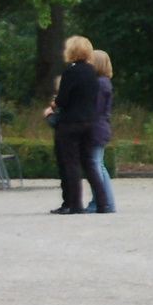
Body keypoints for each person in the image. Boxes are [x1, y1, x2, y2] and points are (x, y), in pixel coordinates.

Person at [49, 37, 110, 216]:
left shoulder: (71, 72)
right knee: (88, 163)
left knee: (70, 163)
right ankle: (103, 202)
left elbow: (63, 100)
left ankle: (74, 204)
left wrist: (54, 104)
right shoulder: (92, 72)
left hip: (70, 123)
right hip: (89, 122)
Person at [85, 49, 116, 214]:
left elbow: (94, 109)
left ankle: (104, 202)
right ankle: (101, 201)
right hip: (101, 127)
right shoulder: (104, 82)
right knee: (98, 165)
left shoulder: (98, 84)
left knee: (95, 165)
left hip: (96, 127)